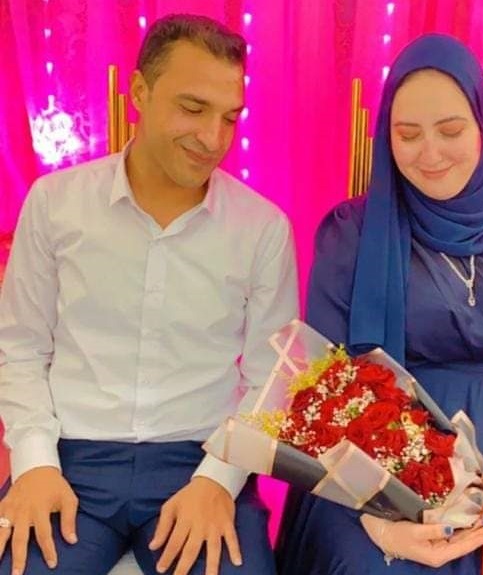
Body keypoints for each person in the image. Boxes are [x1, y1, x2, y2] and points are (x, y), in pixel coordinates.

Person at [277, 34, 483, 574]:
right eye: (408, 134)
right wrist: (381, 518)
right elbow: (326, 381)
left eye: (450, 131)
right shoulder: (350, 233)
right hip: (379, 467)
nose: (430, 154)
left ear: (482, 126)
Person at [0, 13, 298, 575]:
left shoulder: (262, 228)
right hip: (72, 456)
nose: (214, 139)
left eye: (229, 117)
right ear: (139, 91)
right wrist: (34, 463)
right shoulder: (55, 203)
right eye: (193, 108)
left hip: (200, 458)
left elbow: (272, 379)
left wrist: (219, 481)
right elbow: (20, 347)